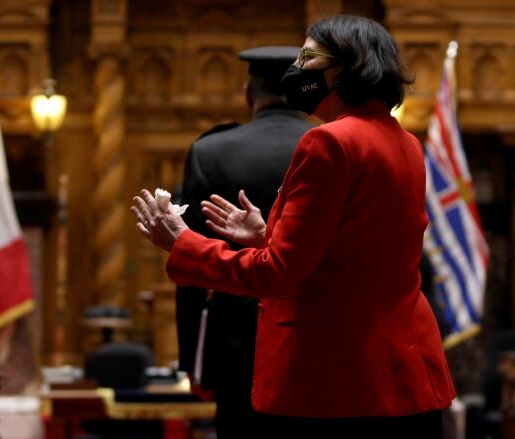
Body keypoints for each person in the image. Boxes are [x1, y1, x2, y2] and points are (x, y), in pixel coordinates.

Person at [132, 15, 454, 437]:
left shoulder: (329, 142)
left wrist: (184, 242)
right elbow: (358, 252)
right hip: (403, 374)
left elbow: (278, 275)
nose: (297, 68)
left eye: (308, 56)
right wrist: (267, 235)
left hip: (339, 384)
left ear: (342, 68)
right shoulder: (405, 142)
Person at [175, 46, 312, 437]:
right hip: (313, 329)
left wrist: (192, 358)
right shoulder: (331, 144)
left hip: (237, 336)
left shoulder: (210, 151)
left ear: (248, 94)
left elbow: (193, 257)